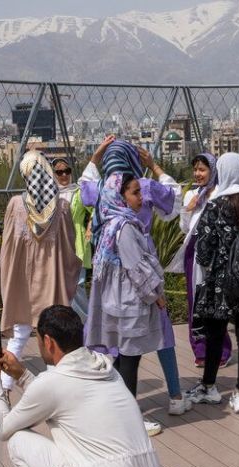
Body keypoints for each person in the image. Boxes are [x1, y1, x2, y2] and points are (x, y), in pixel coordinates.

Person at [0, 305, 165, 467]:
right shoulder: (106, 368)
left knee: (17, 440)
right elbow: (63, 395)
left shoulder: (52, 382)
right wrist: (23, 376)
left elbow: (2, 428)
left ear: (48, 342)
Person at [82, 137, 190, 418]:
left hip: (110, 277)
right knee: (161, 337)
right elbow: (174, 201)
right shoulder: (142, 186)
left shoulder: (104, 189)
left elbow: (84, 190)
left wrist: (95, 157)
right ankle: (175, 394)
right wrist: (153, 166)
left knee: (118, 344)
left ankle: (116, 405)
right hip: (142, 274)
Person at [86, 173, 175, 435]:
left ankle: (117, 414)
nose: (141, 197)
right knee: (129, 361)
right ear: (120, 196)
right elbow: (136, 267)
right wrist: (156, 295)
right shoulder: (125, 228)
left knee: (124, 359)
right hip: (130, 303)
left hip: (119, 300)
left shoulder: (112, 223)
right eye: (135, 192)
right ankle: (130, 421)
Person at [185, 153, 239, 413]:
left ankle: (209, 387)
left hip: (220, 284)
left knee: (215, 334)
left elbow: (203, 250)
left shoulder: (215, 207)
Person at [0, 151, 81, 391]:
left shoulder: (15, 204)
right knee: (54, 336)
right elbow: (68, 247)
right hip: (51, 281)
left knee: (19, 335)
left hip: (23, 281)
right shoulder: (62, 206)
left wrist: (9, 276)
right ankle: (55, 391)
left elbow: (9, 248)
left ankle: (4, 388)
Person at [174, 153, 232, 368]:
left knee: (214, 302)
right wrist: (189, 209)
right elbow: (184, 227)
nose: (197, 174)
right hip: (194, 250)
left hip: (215, 253)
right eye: (195, 169)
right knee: (194, 302)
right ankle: (199, 349)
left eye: (202, 170)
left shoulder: (220, 193)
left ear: (213, 171)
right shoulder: (191, 194)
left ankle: (222, 350)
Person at [52, 157, 93, 317]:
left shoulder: (79, 192)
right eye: (59, 172)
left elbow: (94, 209)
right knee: (59, 284)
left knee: (78, 284)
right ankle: (67, 320)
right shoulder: (51, 194)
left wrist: (89, 226)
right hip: (57, 244)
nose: (64, 175)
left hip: (77, 242)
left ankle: (85, 321)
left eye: (67, 171)